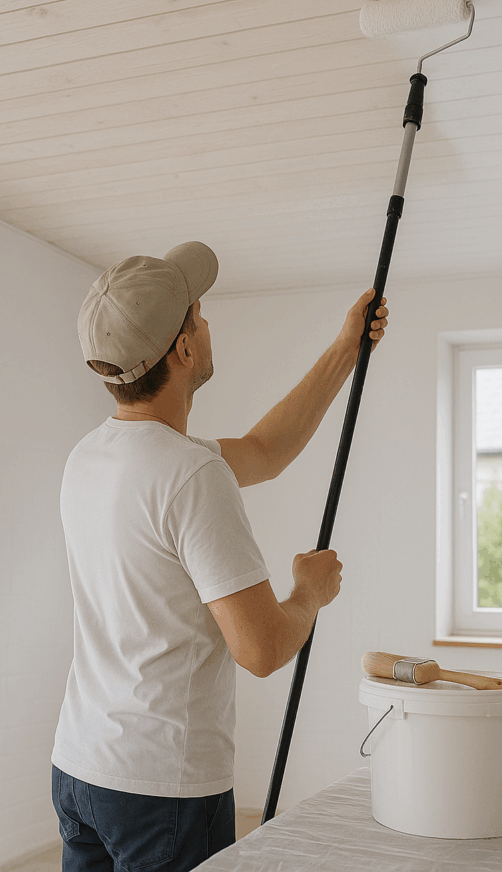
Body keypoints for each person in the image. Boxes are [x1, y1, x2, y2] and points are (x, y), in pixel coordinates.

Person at [51, 241, 388, 871]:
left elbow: (266, 449)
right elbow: (261, 650)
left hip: (81, 767)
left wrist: (347, 349)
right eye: (199, 316)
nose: (207, 324)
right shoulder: (190, 474)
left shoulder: (90, 457)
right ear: (183, 350)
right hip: (163, 791)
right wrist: (308, 593)